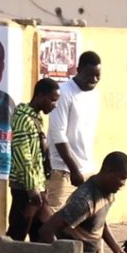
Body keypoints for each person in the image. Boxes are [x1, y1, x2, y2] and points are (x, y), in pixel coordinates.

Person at [39, 152, 127, 253]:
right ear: (108, 171)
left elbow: (100, 222)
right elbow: (47, 230)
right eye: (121, 178)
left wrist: (116, 247)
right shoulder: (84, 200)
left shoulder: (108, 193)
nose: (123, 184)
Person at [45, 51, 102, 213]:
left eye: (98, 76)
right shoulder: (63, 92)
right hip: (64, 170)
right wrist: (74, 169)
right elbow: (58, 134)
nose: (94, 80)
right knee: (53, 215)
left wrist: (85, 169)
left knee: (83, 217)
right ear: (78, 70)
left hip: (87, 168)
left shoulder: (94, 95)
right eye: (90, 75)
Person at [7, 78, 60, 241]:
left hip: (37, 185)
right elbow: (24, 156)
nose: (54, 105)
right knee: (17, 234)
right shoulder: (24, 119)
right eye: (52, 100)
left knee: (44, 232)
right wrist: (32, 188)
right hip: (25, 188)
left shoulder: (36, 117)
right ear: (41, 96)